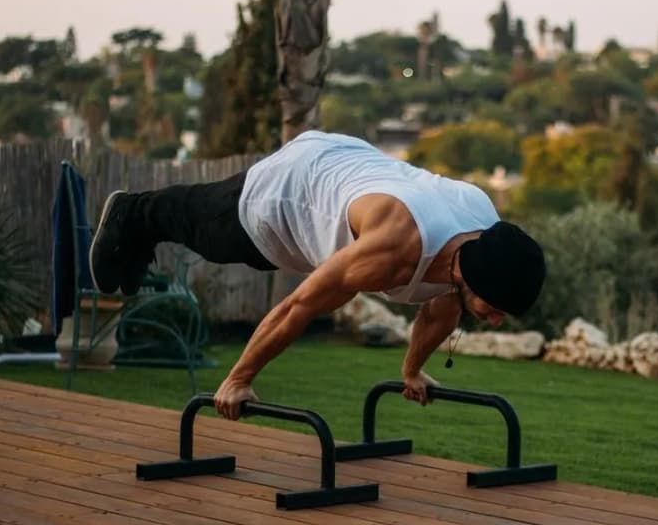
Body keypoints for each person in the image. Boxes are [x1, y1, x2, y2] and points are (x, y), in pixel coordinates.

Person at [89, 130, 546, 420]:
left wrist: (413, 371)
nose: (496, 320)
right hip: (290, 191)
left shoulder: (481, 235)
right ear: (470, 277)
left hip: (350, 161)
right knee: (209, 230)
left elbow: (441, 310)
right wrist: (238, 379)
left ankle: (139, 226)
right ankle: (132, 214)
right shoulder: (393, 246)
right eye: (496, 309)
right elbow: (298, 306)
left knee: (221, 234)